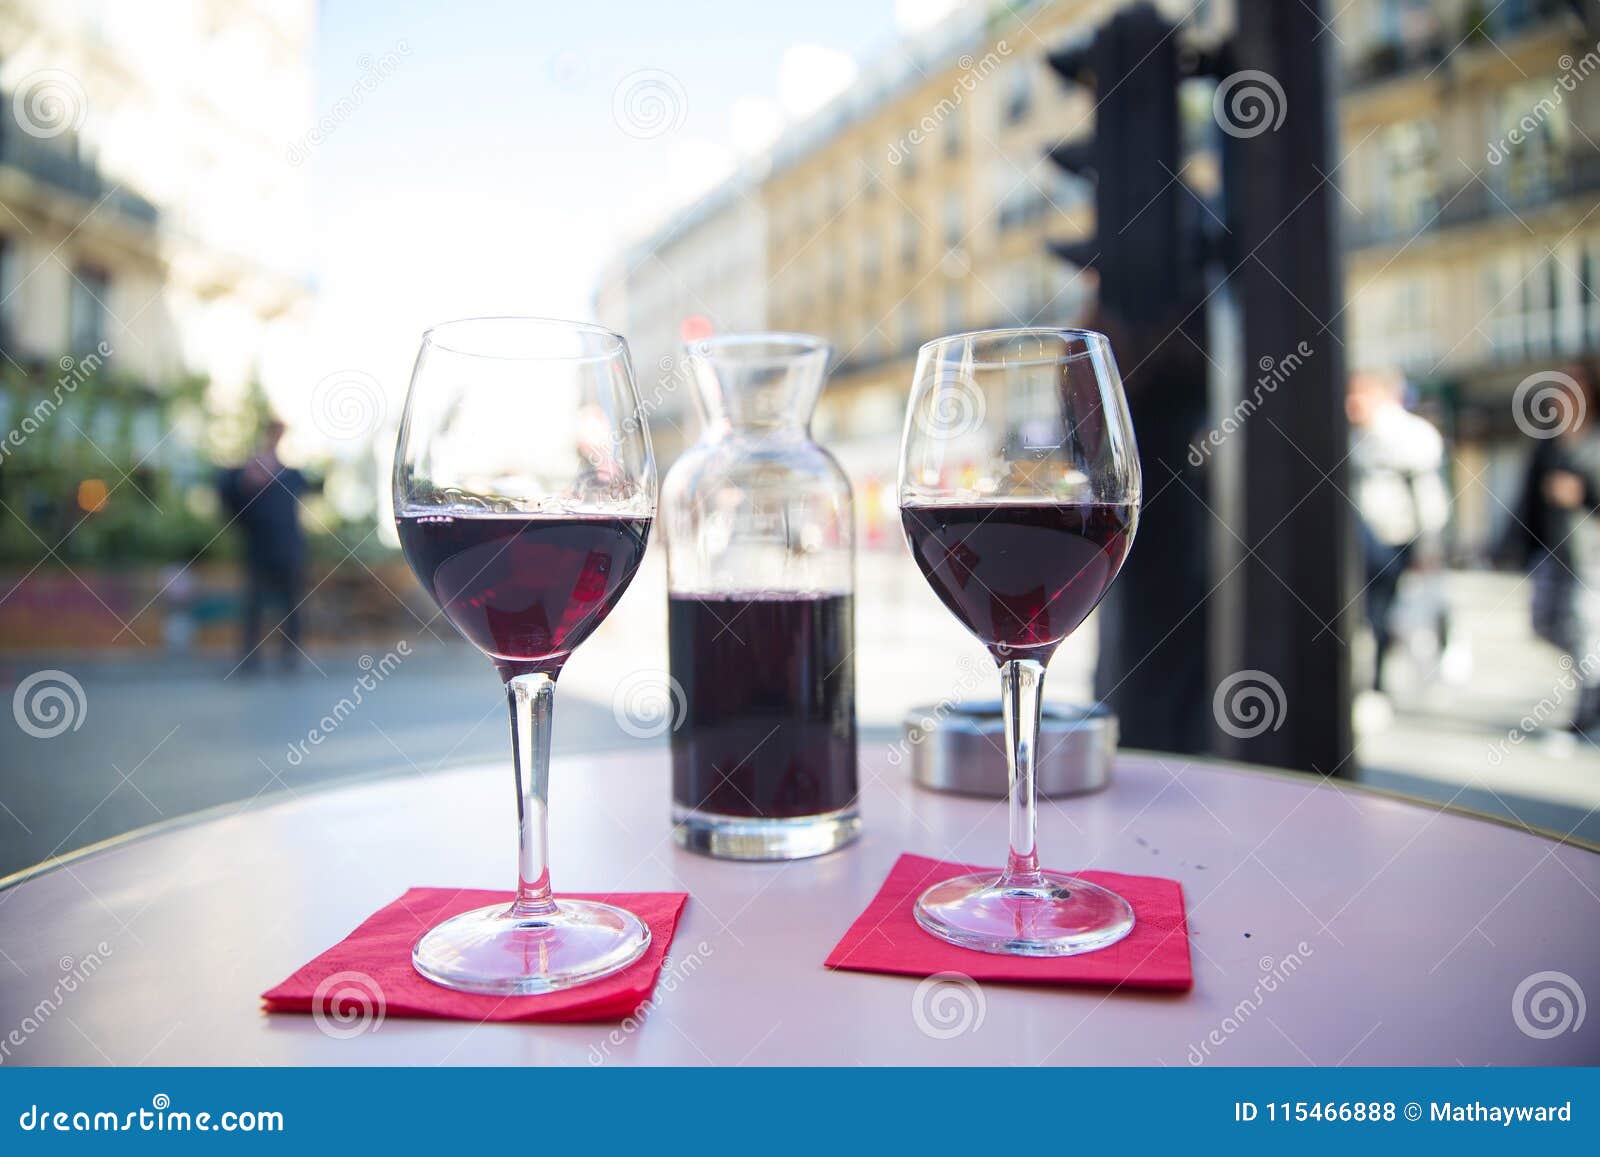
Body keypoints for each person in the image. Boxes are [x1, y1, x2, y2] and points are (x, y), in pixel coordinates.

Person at [1504, 362, 1600, 732]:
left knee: (1584, 625)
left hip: (1590, 552)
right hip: (1552, 550)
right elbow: (1526, 499)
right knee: (1544, 620)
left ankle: (1588, 706)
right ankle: (1590, 680)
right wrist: (1512, 545)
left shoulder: (1594, 441)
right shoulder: (1547, 444)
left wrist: (1585, 493)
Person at [1346, 370, 1451, 697]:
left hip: (1400, 541)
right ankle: (1374, 683)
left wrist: (1428, 546)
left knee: (1396, 614)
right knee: (1372, 614)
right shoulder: (1353, 438)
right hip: (1364, 541)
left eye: (1358, 395)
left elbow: (1428, 495)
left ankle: (1383, 682)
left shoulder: (1411, 437)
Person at [218, 420, 310, 672]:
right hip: (258, 549)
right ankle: (250, 656)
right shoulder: (248, 471)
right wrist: (247, 481)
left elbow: (310, 486)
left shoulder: (289, 474)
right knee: (254, 604)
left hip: (288, 549)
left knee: (291, 605)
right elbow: (228, 496)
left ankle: (290, 655)